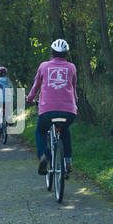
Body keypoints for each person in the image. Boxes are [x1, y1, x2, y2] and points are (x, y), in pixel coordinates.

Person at [26, 39, 78, 175]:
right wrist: (75, 102)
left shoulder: (44, 66)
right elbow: (74, 90)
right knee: (65, 131)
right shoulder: (72, 67)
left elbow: (35, 87)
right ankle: (67, 162)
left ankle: (43, 155)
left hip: (47, 112)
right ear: (67, 54)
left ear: (51, 53)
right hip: (68, 112)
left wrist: (30, 99)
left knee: (40, 131)